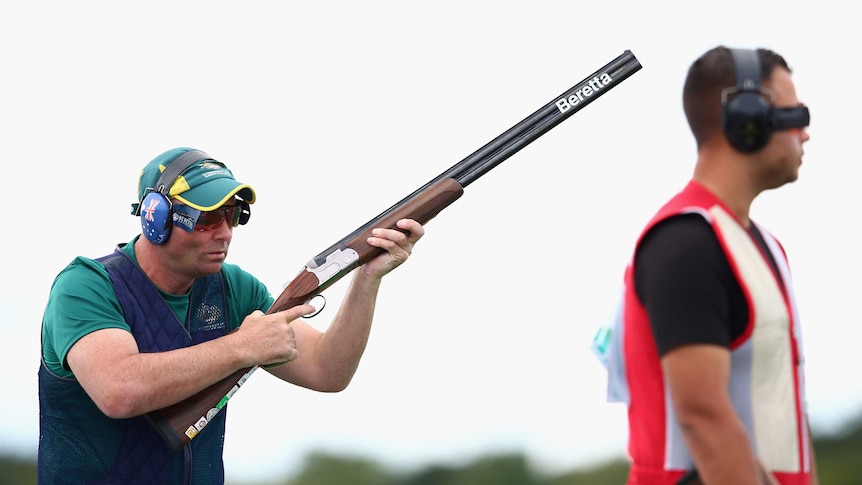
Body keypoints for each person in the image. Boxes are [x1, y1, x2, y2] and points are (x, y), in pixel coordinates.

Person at [38, 147, 425, 484]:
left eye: (233, 215)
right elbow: (118, 391)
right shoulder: (87, 285)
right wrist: (242, 346)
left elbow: (328, 371)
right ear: (156, 218)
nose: (224, 233)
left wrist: (367, 278)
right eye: (208, 218)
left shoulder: (234, 289)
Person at [594, 46, 818, 484]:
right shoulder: (687, 244)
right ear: (747, 119)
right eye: (795, 115)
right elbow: (704, 417)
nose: (805, 133)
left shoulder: (760, 245)